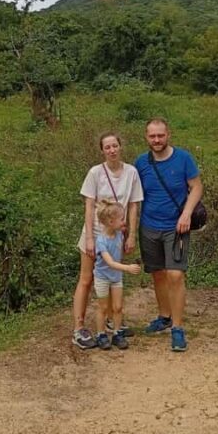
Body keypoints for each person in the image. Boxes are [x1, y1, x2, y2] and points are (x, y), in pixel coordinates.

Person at [135, 117, 203, 352]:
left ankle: (178, 327)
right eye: (152, 136)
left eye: (160, 135)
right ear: (146, 137)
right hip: (149, 226)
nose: (157, 140)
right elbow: (134, 195)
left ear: (168, 134)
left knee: (175, 275)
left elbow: (196, 186)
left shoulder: (183, 158)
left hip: (177, 226)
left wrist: (186, 214)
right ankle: (164, 316)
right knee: (158, 273)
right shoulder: (141, 163)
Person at [72, 131, 143, 349]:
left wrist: (131, 234)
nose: (112, 150)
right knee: (87, 279)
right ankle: (79, 328)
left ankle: (112, 321)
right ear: (102, 150)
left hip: (117, 233)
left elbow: (133, 204)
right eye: (107, 147)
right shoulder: (95, 172)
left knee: (113, 275)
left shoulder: (131, 172)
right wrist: (91, 239)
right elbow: (89, 205)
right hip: (94, 232)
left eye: (115, 146)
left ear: (121, 147)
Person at [92, 199, 141, 350]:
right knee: (103, 307)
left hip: (116, 278)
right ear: (110, 222)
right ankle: (100, 334)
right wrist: (127, 268)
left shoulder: (120, 234)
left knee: (118, 307)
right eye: (121, 219)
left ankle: (117, 334)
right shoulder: (101, 240)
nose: (124, 221)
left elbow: (118, 255)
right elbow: (110, 262)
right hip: (102, 277)